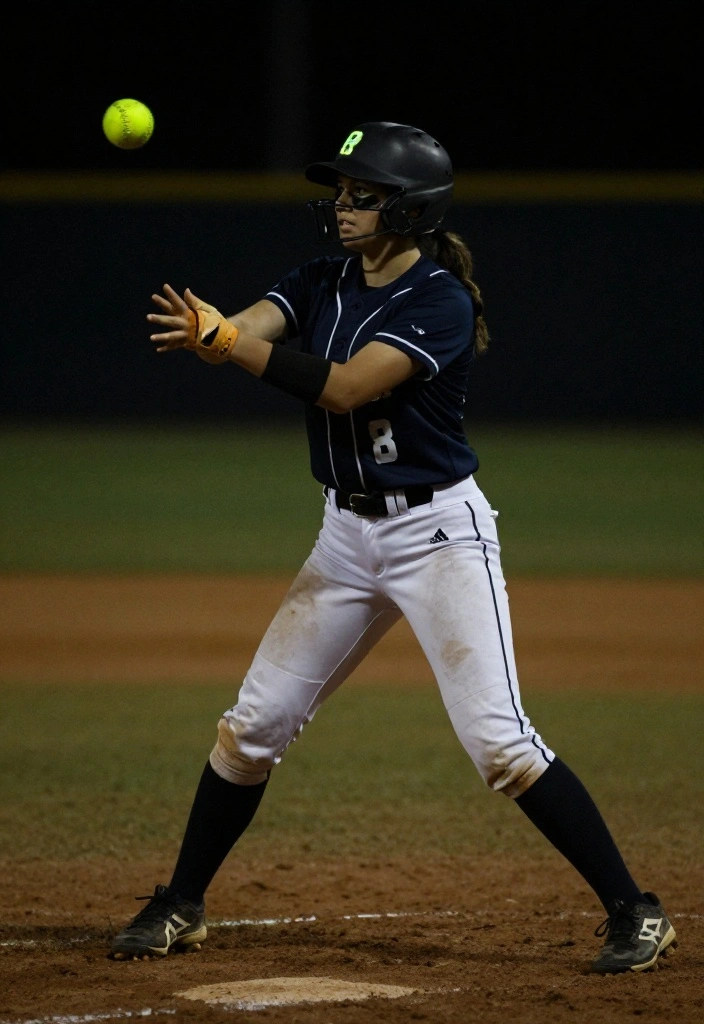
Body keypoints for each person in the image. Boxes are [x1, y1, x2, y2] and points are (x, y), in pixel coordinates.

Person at [109, 121, 676, 974]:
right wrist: (213, 325)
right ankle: (181, 902)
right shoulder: (325, 277)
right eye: (341, 191)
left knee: (500, 743)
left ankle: (637, 911)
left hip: (436, 535)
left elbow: (343, 389)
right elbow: (257, 321)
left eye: (361, 195)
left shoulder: (437, 299)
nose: (342, 206)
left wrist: (230, 347)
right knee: (252, 727)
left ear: (408, 210)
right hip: (344, 535)